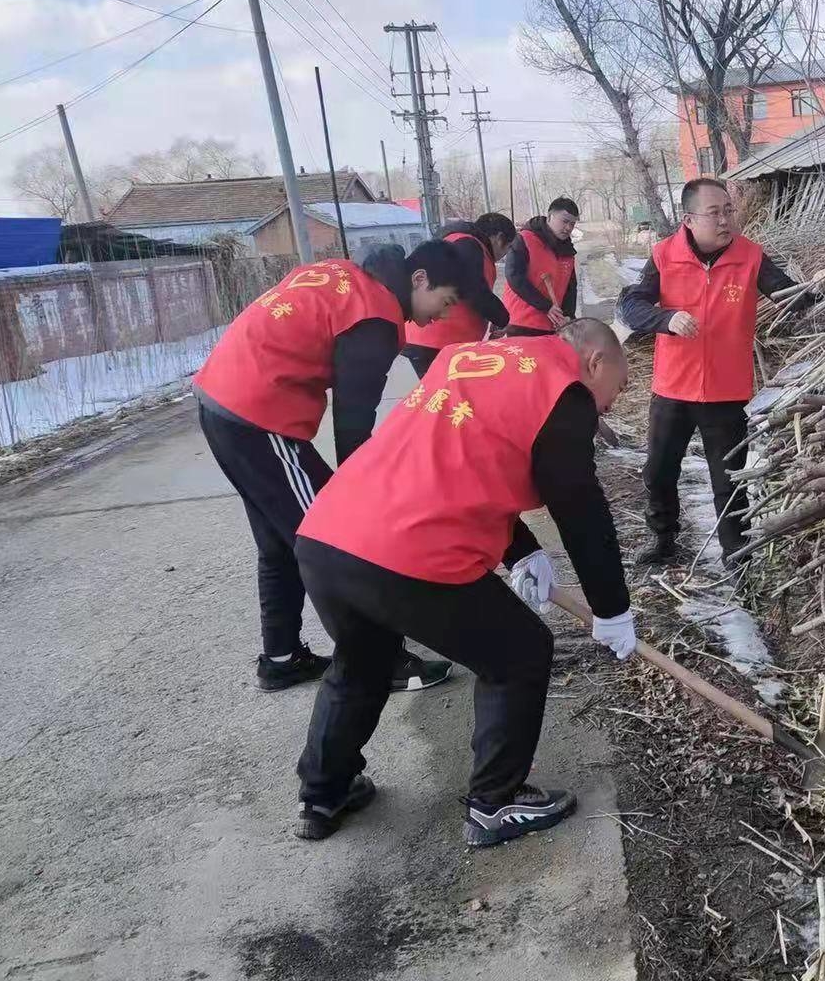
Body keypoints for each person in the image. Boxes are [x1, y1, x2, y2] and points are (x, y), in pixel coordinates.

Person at [289, 319, 638, 847]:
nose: (615, 400)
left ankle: (322, 792)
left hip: (329, 535)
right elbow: (581, 510)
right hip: (405, 549)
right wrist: (612, 608)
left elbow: (463, 458)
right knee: (518, 653)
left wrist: (523, 550)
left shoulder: (474, 359)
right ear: (595, 363)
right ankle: (495, 804)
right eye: (621, 384)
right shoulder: (563, 395)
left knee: (362, 658)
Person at [195, 241, 480, 694]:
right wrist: (364, 497)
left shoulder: (346, 276)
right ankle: (381, 661)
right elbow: (353, 424)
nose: (440, 317)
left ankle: (281, 658)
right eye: (444, 302)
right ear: (419, 280)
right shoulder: (375, 315)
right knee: (335, 541)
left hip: (222, 399)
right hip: (258, 414)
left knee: (278, 540)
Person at [618, 177, 806, 565]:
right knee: (658, 471)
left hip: (726, 390)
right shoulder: (664, 255)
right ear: (689, 219)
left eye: (728, 211)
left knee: (729, 480)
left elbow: (791, 296)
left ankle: (736, 555)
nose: (725, 221)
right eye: (714, 213)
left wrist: (818, 299)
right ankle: (665, 539)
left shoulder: (751, 257)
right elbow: (631, 306)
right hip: (672, 387)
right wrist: (665, 319)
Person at [400, 212, 517, 378]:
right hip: (437, 340)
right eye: (508, 247)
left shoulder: (464, 244)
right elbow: (474, 289)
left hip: (437, 340)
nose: (505, 255)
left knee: (445, 396)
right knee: (447, 397)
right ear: (499, 238)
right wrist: (501, 317)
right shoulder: (468, 243)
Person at [503, 197, 579, 336]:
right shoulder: (525, 239)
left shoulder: (568, 251)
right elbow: (514, 276)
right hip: (521, 323)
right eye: (565, 221)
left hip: (553, 325)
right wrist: (546, 307)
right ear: (550, 216)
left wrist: (569, 317)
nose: (568, 228)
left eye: (572, 224)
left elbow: (570, 287)